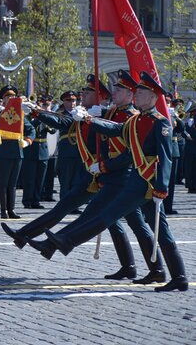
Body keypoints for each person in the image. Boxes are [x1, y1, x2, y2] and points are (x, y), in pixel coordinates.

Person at [26, 72, 188, 292]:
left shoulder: (160, 123)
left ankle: (66, 241)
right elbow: (116, 129)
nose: (137, 95)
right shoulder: (135, 121)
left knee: (108, 215)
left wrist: (161, 187)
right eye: (137, 91)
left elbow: (166, 158)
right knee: (158, 230)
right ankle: (176, 275)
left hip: (145, 182)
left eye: (141, 92)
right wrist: (89, 120)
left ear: (152, 96)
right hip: (139, 178)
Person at [3, 71, 161, 281]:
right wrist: (36, 112)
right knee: (83, 211)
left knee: (124, 221)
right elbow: (65, 123)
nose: (83, 94)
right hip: (100, 175)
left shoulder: (123, 116)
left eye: (88, 91)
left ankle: (154, 268)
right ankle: (132, 266)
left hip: (120, 176)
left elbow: (130, 151)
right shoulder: (105, 112)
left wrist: (97, 120)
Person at [0, 85, 35, 219]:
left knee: (13, 184)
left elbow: (31, 130)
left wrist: (27, 141)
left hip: (17, 151)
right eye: (7, 97)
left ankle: (12, 209)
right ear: (3, 100)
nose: (10, 98)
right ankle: (3, 210)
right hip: (4, 151)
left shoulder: (20, 115)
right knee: (3, 183)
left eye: (12, 96)